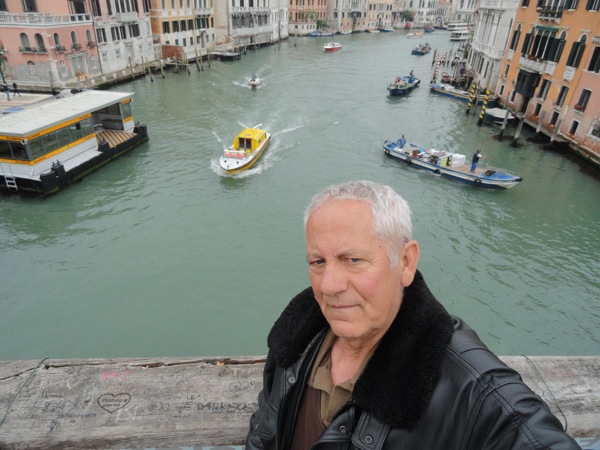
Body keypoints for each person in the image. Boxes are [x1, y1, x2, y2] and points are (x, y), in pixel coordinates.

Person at [246, 180, 580, 450]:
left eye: (353, 260)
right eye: (318, 261)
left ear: (405, 262)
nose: (329, 285)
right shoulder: (295, 338)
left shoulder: (473, 388)